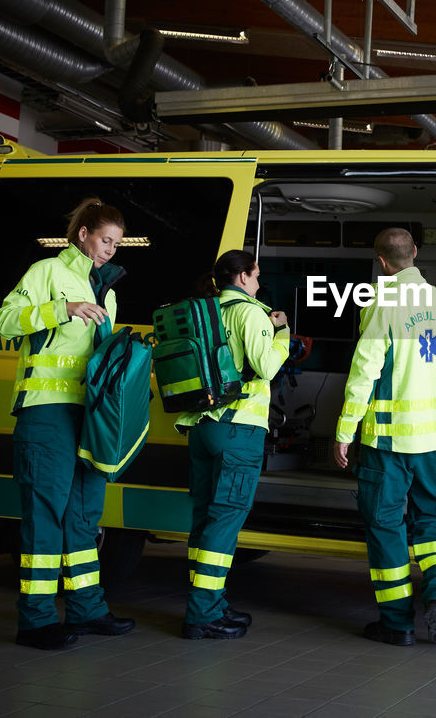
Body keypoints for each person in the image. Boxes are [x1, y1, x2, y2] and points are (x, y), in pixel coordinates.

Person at [0, 197, 136, 650]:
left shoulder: (108, 290)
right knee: (45, 513)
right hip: (47, 411)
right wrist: (63, 309)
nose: (111, 250)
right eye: (105, 240)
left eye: (117, 243)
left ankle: (87, 609)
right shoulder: (47, 273)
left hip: (91, 414)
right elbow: (6, 322)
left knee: (83, 514)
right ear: (83, 235)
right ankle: (35, 620)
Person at [334, 228, 436, 646]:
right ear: (415, 253)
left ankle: (397, 624)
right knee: (431, 523)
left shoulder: (381, 304)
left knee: (386, 526)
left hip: (388, 443)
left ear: (381, 261)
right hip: (433, 441)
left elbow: (364, 373)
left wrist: (344, 431)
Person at [175, 250, 289, 640]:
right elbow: (266, 366)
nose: (258, 283)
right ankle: (202, 614)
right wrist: (283, 333)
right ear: (242, 276)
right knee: (224, 521)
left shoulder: (207, 311)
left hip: (202, 426)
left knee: (205, 518)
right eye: (256, 276)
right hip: (237, 429)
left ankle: (209, 601)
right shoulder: (251, 313)